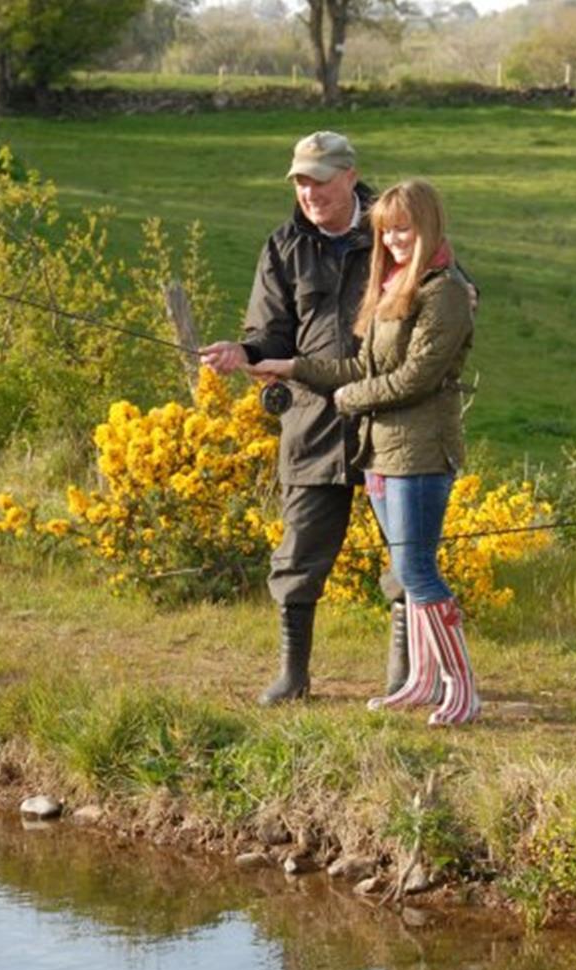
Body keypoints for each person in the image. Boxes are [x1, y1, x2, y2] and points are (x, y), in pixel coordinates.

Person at [233, 179, 480, 727]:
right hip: (381, 451)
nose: (392, 240)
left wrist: (350, 399)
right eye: (386, 230)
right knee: (396, 565)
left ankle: (459, 686)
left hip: (418, 451)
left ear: (429, 227)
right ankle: (418, 683)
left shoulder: (444, 291)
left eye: (403, 229)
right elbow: (361, 367)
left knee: (414, 569)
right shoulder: (393, 286)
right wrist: (291, 367)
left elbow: (413, 377)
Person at [198, 131, 407, 707]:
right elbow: (270, 334)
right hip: (312, 420)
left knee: (405, 550)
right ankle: (293, 675)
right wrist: (244, 352)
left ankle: (404, 675)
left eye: (318, 179)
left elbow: (445, 291)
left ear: (349, 176)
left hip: (390, 418)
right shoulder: (284, 245)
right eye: (300, 181)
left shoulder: (396, 230)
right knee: (298, 554)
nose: (308, 192)